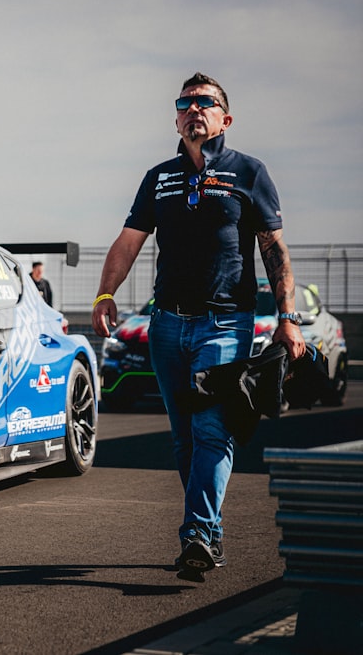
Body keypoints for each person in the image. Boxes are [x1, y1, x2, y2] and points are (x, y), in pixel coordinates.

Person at [91, 72, 306, 582]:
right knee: (185, 439)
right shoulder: (159, 177)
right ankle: (209, 534)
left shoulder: (249, 172)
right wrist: (104, 293)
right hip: (167, 325)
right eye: (185, 103)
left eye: (205, 103)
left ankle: (195, 534)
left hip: (225, 323)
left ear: (224, 118)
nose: (194, 110)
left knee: (214, 429)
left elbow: (273, 249)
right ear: (176, 118)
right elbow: (128, 241)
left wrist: (288, 319)